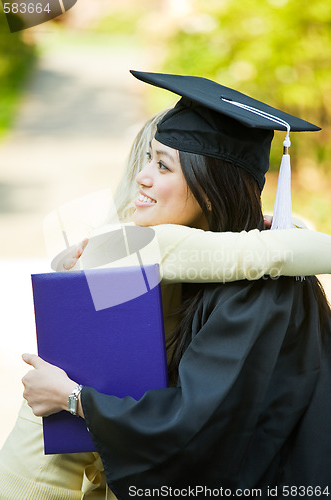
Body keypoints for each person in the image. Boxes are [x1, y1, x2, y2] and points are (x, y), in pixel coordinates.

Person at [21, 71, 331, 499]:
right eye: (148, 158)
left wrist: (74, 400)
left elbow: (198, 429)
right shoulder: (182, 267)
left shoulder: (256, 291)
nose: (142, 178)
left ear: (211, 187)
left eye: (163, 164)